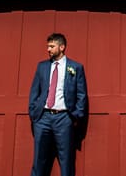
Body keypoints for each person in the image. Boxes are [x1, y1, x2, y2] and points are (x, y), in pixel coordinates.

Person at [28, 32, 88, 176]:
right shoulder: (41, 66)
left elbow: (81, 94)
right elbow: (34, 91)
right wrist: (33, 112)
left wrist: (75, 116)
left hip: (64, 118)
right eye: (48, 46)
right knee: (38, 160)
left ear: (62, 47)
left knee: (66, 160)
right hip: (43, 118)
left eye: (51, 46)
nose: (48, 49)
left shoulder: (75, 67)